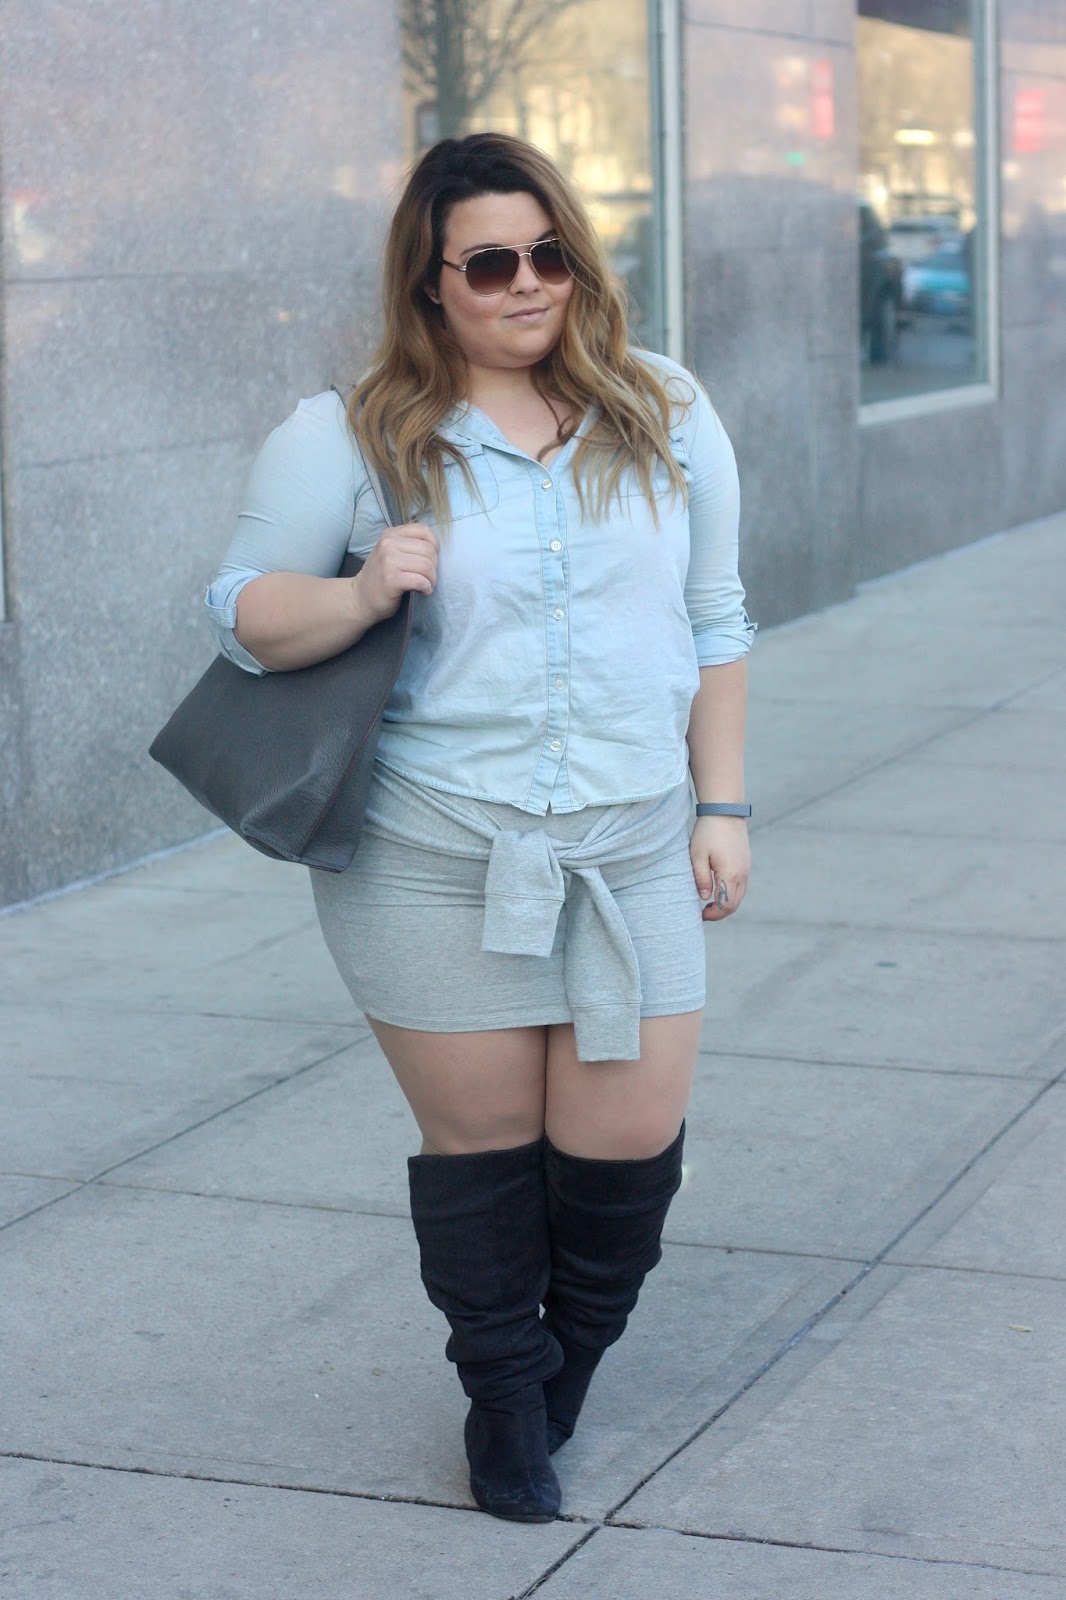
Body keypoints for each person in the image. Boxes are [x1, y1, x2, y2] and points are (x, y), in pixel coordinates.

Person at [205, 132, 754, 1524]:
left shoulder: (664, 408)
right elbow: (244, 612)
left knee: (623, 1150)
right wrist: (360, 591)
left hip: (630, 839)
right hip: (431, 852)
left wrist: (724, 806)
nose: (529, 285)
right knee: (488, 1151)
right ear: (432, 282)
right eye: (493, 263)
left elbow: (715, 618)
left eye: (549, 253)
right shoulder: (347, 432)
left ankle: (560, 1372)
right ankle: (505, 1399)